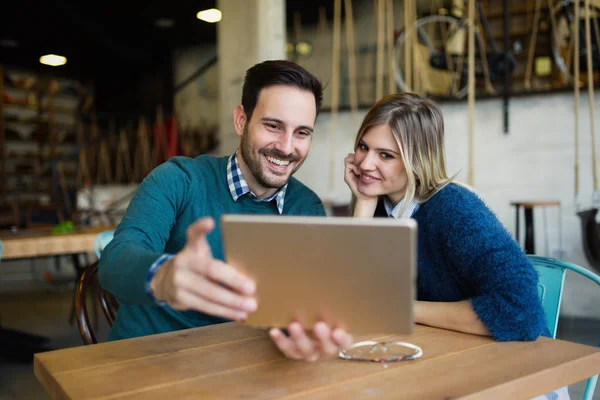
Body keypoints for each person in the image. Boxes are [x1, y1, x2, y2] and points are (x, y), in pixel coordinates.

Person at [99, 60, 353, 362]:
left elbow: (298, 305)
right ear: (241, 120)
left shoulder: (306, 207)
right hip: (143, 362)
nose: (286, 147)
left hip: (237, 367)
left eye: (301, 133)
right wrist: (164, 276)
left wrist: (305, 332)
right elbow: (115, 259)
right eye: (273, 126)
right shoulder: (178, 179)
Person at [344, 92, 550, 342]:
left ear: (417, 161)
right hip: (438, 353)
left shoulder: (455, 209)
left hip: (519, 362)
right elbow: (352, 300)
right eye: (363, 147)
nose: (365, 164)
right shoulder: (379, 204)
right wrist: (364, 203)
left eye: (385, 155)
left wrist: (402, 309)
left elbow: (521, 313)